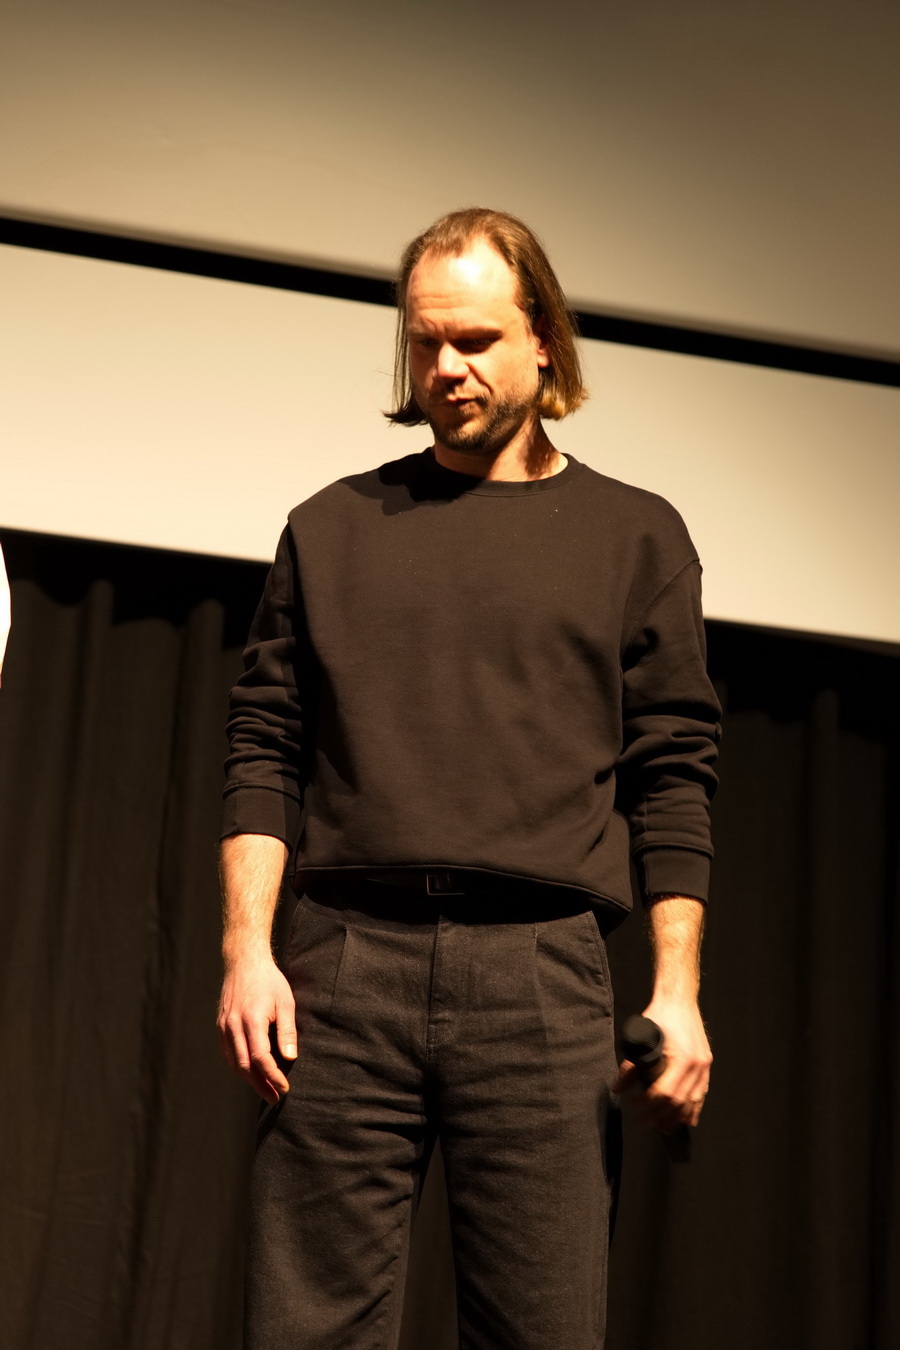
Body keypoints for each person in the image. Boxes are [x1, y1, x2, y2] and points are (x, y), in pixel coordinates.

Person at [217, 207, 720, 1350]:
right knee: (302, 1330)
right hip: (344, 967)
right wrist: (249, 951)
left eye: (476, 340)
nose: (446, 367)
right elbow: (263, 746)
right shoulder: (332, 527)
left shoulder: (636, 539)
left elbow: (675, 778)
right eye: (426, 341)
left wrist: (678, 990)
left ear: (544, 340)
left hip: (541, 974)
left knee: (543, 1329)